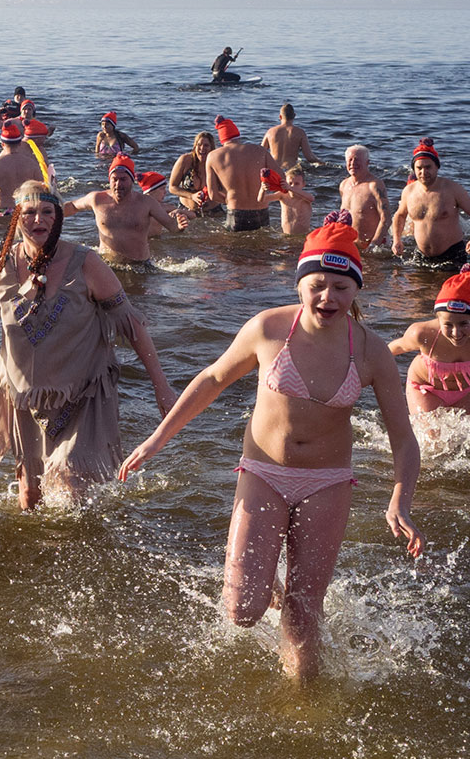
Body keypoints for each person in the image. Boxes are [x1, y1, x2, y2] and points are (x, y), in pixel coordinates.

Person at [118, 212, 424, 681]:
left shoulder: (370, 352)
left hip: (327, 481)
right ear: (300, 283)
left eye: (342, 288)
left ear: (358, 290)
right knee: (242, 611)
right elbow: (213, 379)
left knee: (305, 615)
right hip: (263, 473)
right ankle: (269, 584)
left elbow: (404, 438)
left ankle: (303, 707)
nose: (328, 297)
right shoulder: (267, 329)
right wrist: (158, 439)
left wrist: (400, 500)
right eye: (317, 284)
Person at [0, 181, 176, 509]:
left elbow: (132, 326)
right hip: (24, 399)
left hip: (83, 397)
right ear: (16, 217)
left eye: (47, 212)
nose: (38, 219)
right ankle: (33, 559)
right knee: (30, 497)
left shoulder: (86, 263)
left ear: (58, 218)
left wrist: (162, 387)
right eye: (29, 212)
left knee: (70, 479)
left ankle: (82, 552)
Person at [389, 265, 470, 426]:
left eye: (464, 324)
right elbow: (391, 350)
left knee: (466, 444)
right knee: (431, 440)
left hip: (463, 393)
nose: (456, 333)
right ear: (438, 320)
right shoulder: (421, 333)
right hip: (425, 388)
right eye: (448, 325)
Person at [64, 154, 189, 265]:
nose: (118, 184)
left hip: (140, 266)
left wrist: (179, 226)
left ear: (132, 180)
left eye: (123, 179)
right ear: (109, 180)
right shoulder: (97, 199)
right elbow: (73, 206)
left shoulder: (146, 203)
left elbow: (171, 226)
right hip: (106, 264)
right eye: (115, 179)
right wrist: (50, 210)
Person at [391, 138, 470, 268]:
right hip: (421, 255)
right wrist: (397, 240)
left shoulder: (453, 189)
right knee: (416, 288)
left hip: (453, 254)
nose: (423, 172)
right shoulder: (409, 191)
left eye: (428, 167)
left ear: (437, 167)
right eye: (419, 168)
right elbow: (400, 216)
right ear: (414, 169)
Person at [205, 115, 282, 231]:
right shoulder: (259, 150)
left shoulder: (213, 156)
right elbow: (282, 178)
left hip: (236, 211)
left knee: (235, 246)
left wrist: (227, 200)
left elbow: (212, 194)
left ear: (222, 140)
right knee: (263, 246)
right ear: (238, 136)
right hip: (261, 210)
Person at [339, 145, 390, 249]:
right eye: (350, 160)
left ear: (367, 162)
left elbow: (386, 218)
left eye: (357, 160)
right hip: (351, 245)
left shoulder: (374, 185)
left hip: (372, 245)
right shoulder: (344, 185)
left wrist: (374, 245)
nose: (353, 163)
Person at [169, 131, 218, 213]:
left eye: (206, 145)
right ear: (195, 146)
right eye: (199, 145)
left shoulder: (217, 163)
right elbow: (172, 187)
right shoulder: (185, 160)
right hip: (187, 210)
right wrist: (191, 196)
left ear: (212, 148)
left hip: (214, 211)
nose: (202, 148)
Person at [259, 165, 315, 235]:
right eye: (290, 183)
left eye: (297, 184)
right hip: (286, 235)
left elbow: (311, 199)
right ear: (285, 182)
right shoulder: (282, 195)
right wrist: (262, 189)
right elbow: (261, 200)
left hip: (303, 236)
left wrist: (289, 188)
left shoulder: (304, 196)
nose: (292, 186)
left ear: (303, 184)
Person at [261, 103, 322, 168]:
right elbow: (309, 157)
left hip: (274, 168)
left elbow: (260, 152)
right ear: (294, 115)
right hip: (290, 170)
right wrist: (322, 163)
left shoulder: (270, 132)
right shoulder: (300, 133)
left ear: (280, 117)